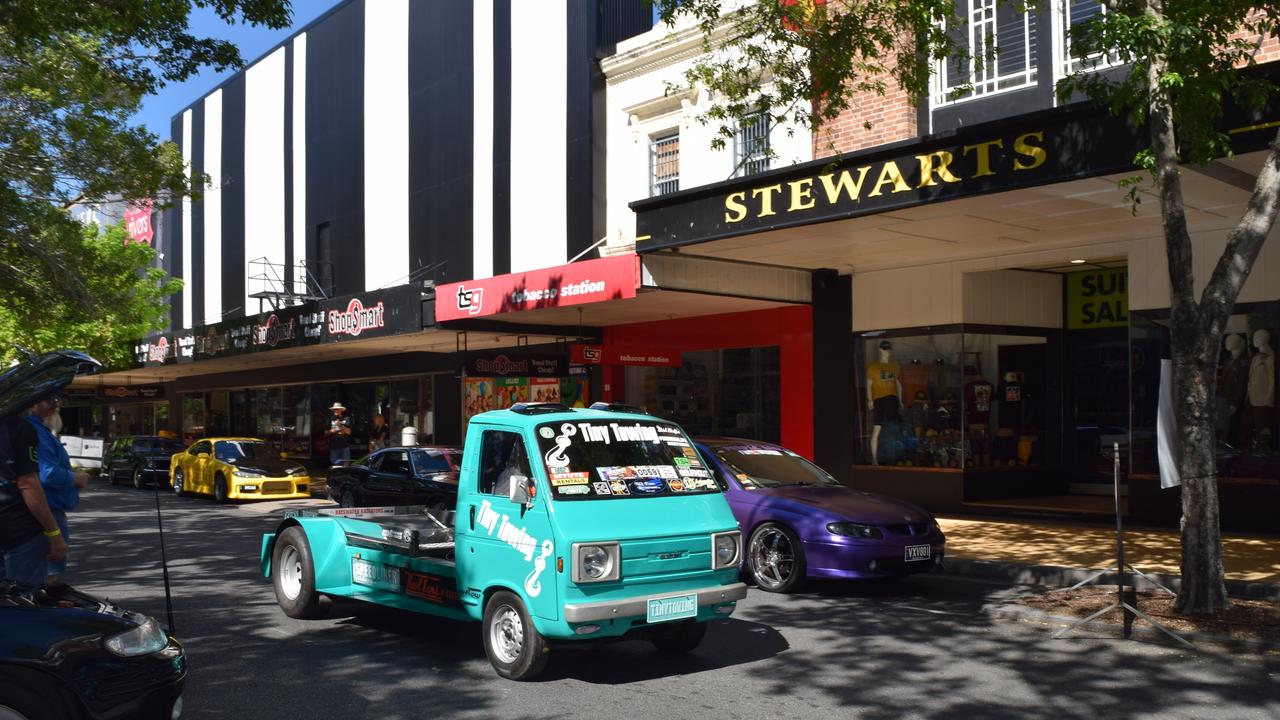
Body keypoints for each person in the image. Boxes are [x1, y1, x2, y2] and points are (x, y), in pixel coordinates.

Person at [0, 395, 68, 586]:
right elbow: (29, 482)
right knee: (25, 601)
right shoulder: (21, 428)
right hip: (20, 530)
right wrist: (54, 533)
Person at [26, 396, 88, 583]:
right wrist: (76, 477)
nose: (55, 406)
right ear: (33, 404)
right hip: (46, 512)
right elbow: (47, 474)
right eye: (48, 400)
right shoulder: (35, 431)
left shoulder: (35, 429)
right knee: (46, 578)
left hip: (43, 510)